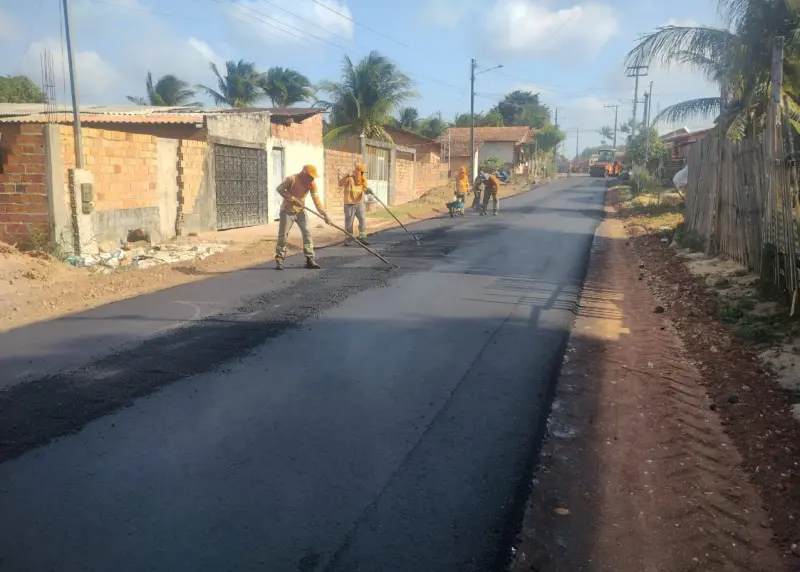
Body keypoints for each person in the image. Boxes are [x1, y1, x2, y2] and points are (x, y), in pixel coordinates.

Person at [274, 164, 330, 270]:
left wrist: (324, 213)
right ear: (304, 174)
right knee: (283, 235)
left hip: (300, 211)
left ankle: (310, 258)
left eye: (313, 177)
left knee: (307, 233)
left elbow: (316, 200)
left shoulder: (312, 184)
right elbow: (279, 189)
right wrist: (292, 198)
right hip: (287, 210)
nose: (312, 179)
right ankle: (279, 259)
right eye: (310, 176)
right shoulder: (292, 179)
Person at [339, 163, 373, 245]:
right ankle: (348, 238)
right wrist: (346, 176)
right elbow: (340, 184)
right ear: (357, 171)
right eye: (361, 172)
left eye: (363, 172)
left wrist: (368, 191)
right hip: (349, 203)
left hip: (360, 203)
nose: (362, 174)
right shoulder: (349, 177)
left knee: (362, 219)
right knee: (349, 222)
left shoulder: (363, 179)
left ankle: (362, 237)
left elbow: (365, 190)